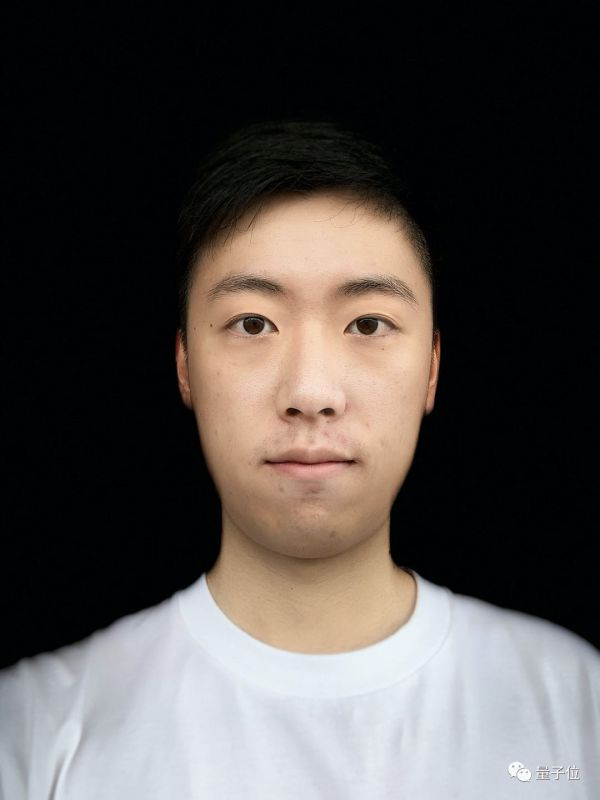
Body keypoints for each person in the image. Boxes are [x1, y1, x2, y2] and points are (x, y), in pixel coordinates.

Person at [1, 118, 598, 799]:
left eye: (368, 324)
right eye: (253, 323)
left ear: (432, 368)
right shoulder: (35, 727)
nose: (311, 394)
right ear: (184, 365)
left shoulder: (572, 700)